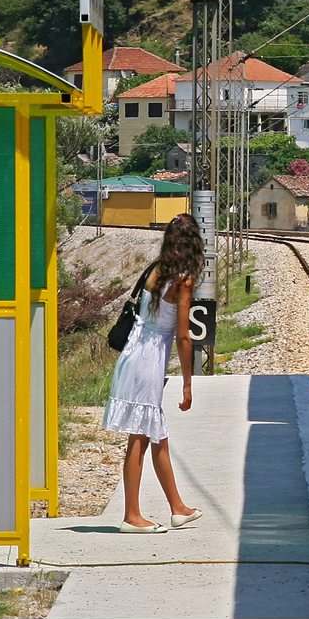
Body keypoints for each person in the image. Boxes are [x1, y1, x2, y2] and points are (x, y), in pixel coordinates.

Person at [102, 212, 205, 533]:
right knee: (140, 437)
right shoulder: (183, 280)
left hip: (135, 353)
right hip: (148, 360)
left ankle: (177, 508)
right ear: (193, 244)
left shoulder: (156, 271)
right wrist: (188, 383)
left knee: (157, 437)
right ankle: (131, 516)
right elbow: (184, 336)